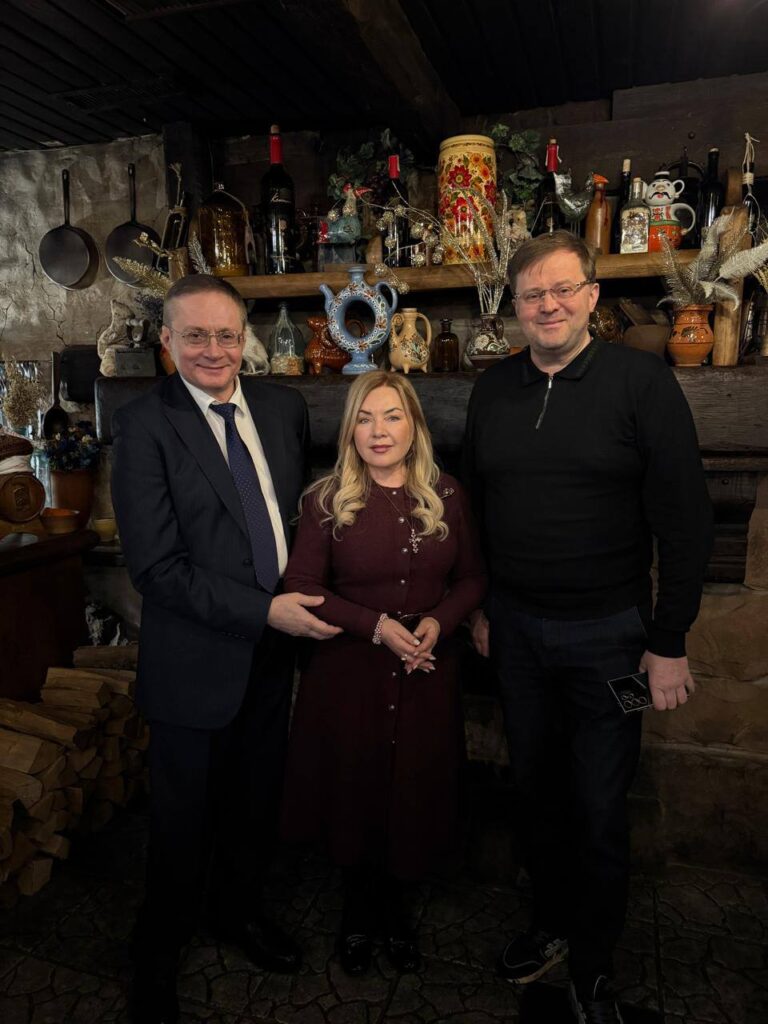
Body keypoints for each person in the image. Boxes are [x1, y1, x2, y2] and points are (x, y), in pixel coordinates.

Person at [462, 232, 713, 1024]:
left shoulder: (642, 383)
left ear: (593, 297)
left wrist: (668, 640)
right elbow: (475, 509)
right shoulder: (492, 390)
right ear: (514, 304)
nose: (549, 305)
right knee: (535, 793)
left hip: (614, 640)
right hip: (517, 636)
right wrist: (480, 607)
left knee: (601, 807)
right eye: (533, 293)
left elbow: (686, 522)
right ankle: (551, 926)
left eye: (563, 289)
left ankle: (595, 966)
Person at [111, 274, 341, 1024]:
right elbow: (156, 569)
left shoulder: (281, 407)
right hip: (194, 662)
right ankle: (158, 952)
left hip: (272, 654)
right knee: (180, 824)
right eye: (195, 336)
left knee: (253, 803)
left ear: (246, 339)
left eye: (226, 335)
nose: (213, 350)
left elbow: (290, 518)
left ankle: (237, 914)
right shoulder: (144, 426)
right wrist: (265, 610)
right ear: (166, 340)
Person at [280, 370, 487, 976]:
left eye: (392, 416)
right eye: (365, 418)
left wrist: (441, 621)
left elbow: (473, 577)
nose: (379, 430)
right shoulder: (326, 500)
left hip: (426, 671)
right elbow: (301, 585)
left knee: (412, 788)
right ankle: (357, 907)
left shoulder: (447, 494)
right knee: (354, 787)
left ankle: (395, 906)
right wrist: (374, 627)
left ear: (414, 425)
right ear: (350, 430)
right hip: (350, 676)